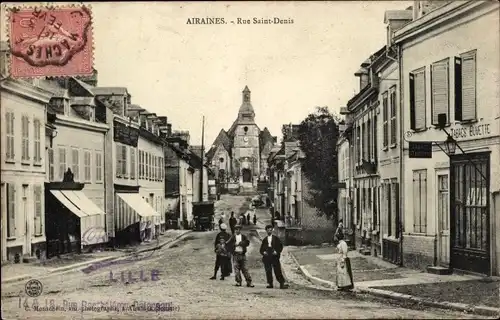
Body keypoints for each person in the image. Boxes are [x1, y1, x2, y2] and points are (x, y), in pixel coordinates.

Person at [260, 225, 288, 289]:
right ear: (266, 231)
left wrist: (277, 252)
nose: (269, 231)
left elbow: (280, 246)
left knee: (277, 270)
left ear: (272, 230)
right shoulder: (264, 240)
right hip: (267, 256)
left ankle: (281, 283)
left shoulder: (276, 239)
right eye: (268, 230)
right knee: (268, 271)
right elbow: (261, 249)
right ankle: (270, 283)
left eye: (270, 230)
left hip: (274, 256)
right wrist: (263, 252)